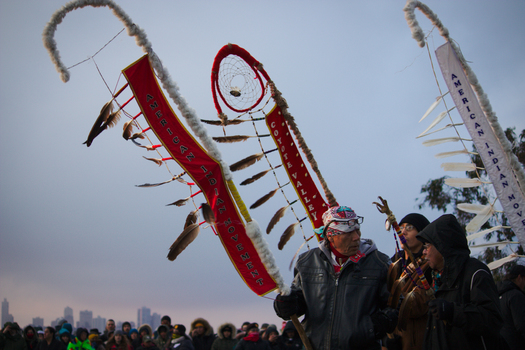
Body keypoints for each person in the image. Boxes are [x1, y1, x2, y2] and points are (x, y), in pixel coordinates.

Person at [274, 206, 398, 350]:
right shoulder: (307, 262)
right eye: (348, 233)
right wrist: (285, 305)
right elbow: (299, 302)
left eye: (357, 230)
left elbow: (396, 305)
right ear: (331, 235)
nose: (356, 237)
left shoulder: (379, 263)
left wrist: (376, 326)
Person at [416, 214, 503, 349]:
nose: (424, 252)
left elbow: (492, 320)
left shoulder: (475, 273)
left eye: (427, 246)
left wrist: (453, 312)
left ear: (442, 245)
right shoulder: (438, 280)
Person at [386, 213, 432, 350]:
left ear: (422, 233)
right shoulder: (392, 263)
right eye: (400, 227)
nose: (403, 231)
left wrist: (389, 298)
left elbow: (418, 305)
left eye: (410, 227)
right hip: (393, 340)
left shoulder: (431, 265)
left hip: (418, 340)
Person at [498, 264, 525, 349]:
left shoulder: (496, 296)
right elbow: (522, 325)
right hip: (516, 344)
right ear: (519, 277)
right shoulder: (516, 295)